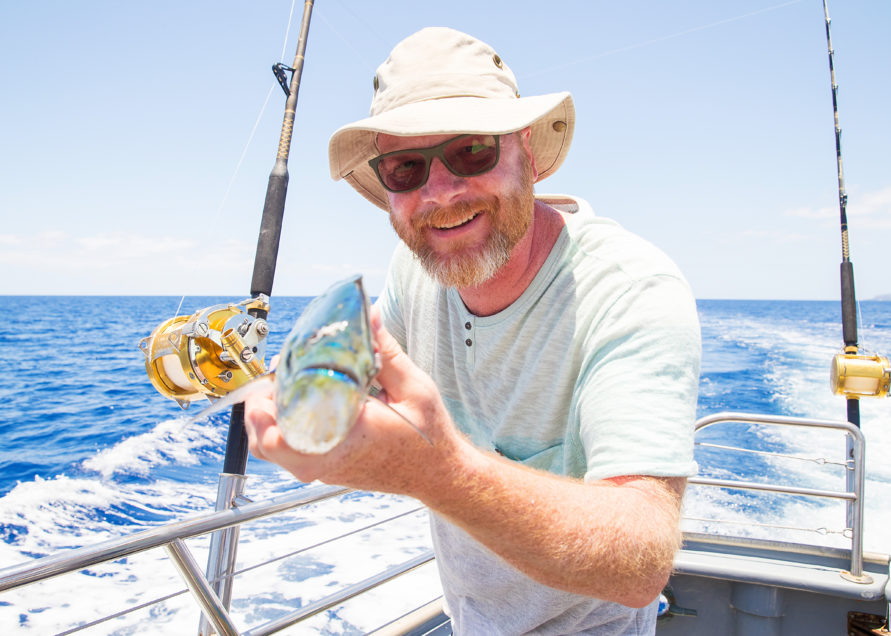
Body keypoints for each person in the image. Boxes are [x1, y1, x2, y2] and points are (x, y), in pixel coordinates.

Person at [245, 27, 701, 635]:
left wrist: (439, 470)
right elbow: (371, 380)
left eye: (472, 153)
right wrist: (294, 393)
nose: (440, 193)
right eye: (406, 167)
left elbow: (639, 558)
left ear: (528, 155)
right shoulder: (414, 267)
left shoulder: (630, 289)